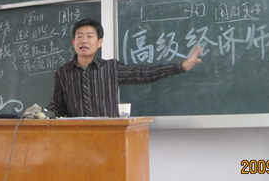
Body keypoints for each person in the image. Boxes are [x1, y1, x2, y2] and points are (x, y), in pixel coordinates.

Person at [48, 18, 203, 117]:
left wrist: (181, 66)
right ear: (73, 42)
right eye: (79, 36)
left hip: (110, 137)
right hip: (76, 139)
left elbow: (144, 73)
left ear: (99, 42)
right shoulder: (63, 72)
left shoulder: (111, 68)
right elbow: (58, 107)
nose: (84, 41)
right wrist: (39, 116)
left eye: (89, 36)